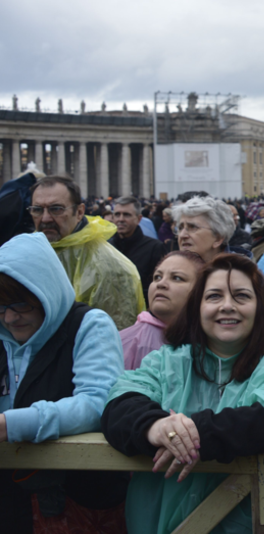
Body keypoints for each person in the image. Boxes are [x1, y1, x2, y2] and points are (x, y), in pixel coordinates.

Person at [101, 254, 264, 534]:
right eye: (214, 296)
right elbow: (121, 402)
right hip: (160, 520)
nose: (227, 306)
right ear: (198, 306)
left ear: (260, 306)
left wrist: (186, 436)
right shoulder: (168, 359)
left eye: (241, 296)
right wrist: (154, 426)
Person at [1, 233, 127, 534]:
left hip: (76, 497)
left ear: (45, 291)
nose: (9, 318)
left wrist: (10, 424)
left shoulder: (89, 324)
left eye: (21, 305)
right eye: (1, 306)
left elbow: (97, 402)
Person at [29, 176, 145, 328]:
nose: (45, 218)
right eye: (37, 210)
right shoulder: (26, 254)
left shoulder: (110, 266)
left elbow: (117, 335)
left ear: (79, 212)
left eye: (56, 209)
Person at [121, 251, 205, 370]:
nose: (161, 284)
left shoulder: (215, 342)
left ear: (201, 291)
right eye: (157, 277)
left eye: (177, 278)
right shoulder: (123, 342)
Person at [110, 196, 167, 302]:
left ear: (138, 219)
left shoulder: (155, 247)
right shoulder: (107, 246)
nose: (121, 219)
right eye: (117, 214)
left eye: (126, 215)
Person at [173, 196, 241, 263]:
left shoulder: (242, 272)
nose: (182, 235)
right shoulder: (168, 270)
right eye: (180, 228)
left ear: (218, 238)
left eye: (193, 227)